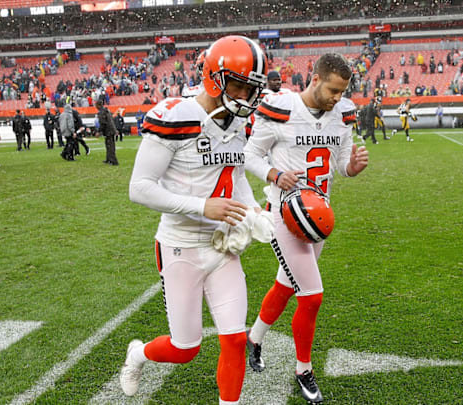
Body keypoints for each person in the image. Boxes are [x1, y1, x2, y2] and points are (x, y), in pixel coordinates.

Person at [122, 35, 270, 405]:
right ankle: (138, 354)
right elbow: (139, 188)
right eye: (239, 85)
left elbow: (235, 177)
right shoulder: (176, 115)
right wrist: (201, 206)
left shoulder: (235, 122)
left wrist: (253, 211)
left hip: (223, 248)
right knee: (185, 348)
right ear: (215, 78)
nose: (247, 97)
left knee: (235, 339)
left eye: (252, 89)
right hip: (180, 246)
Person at [244, 52, 369, 404]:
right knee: (311, 295)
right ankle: (303, 369)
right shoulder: (281, 109)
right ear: (314, 79)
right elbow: (249, 154)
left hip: (318, 216)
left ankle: (253, 339)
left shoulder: (341, 113)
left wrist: (352, 168)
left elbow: (340, 163)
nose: (336, 98)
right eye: (332, 90)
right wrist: (274, 174)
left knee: (286, 286)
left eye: (342, 91)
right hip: (285, 214)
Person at [97, 99, 118, 165]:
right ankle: (109, 159)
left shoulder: (101, 112)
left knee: (110, 146)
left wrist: (99, 131)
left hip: (108, 131)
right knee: (109, 145)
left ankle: (113, 161)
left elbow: (103, 123)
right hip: (111, 130)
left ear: (98, 105)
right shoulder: (106, 111)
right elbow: (111, 121)